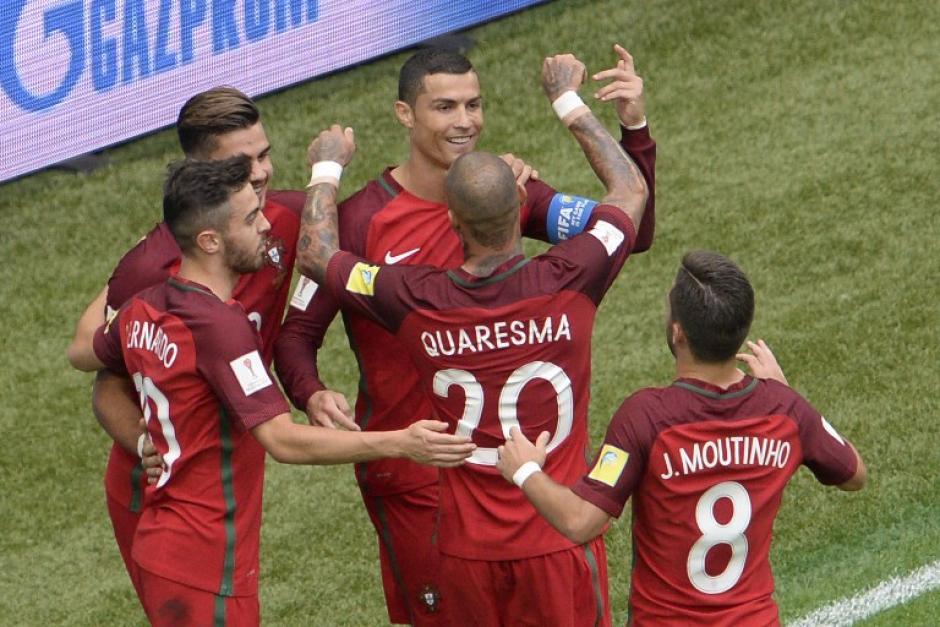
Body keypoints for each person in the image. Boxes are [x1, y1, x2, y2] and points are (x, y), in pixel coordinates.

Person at [274, 43, 656, 625]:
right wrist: (310, 390)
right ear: (405, 115)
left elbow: (641, 233)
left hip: (498, 495)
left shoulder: (500, 200)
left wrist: (324, 169)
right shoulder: (364, 220)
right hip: (413, 475)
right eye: (445, 107)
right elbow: (296, 335)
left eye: (473, 105)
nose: (464, 122)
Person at [68, 156, 475, 626]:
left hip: (167, 544)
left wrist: (121, 272)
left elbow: (89, 353)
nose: (266, 224)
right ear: (209, 241)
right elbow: (282, 439)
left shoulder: (142, 308)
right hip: (205, 561)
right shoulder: (221, 325)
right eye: (249, 218)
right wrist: (399, 442)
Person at [65, 86, 341, 602]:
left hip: (231, 467)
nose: (260, 173)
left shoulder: (277, 221)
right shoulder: (155, 267)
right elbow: (89, 357)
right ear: (201, 173)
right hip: (160, 483)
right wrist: (144, 445)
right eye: (242, 163)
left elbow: (358, 226)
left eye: (264, 154)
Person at [495, 251, 867, 626]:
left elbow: (579, 521)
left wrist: (525, 470)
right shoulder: (786, 411)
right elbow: (854, 474)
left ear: (678, 332)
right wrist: (788, 396)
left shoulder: (646, 417)